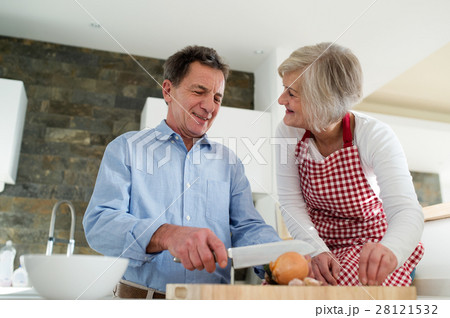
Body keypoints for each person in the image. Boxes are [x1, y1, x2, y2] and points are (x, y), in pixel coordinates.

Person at [83, 45, 281, 298]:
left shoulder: (229, 163)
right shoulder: (126, 149)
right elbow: (100, 225)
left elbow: (248, 228)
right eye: (199, 91)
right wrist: (165, 234)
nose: (209, 106)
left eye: (217, 98)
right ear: (168, 90)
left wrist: (278, 258)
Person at [275, 42, 424, 287]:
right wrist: (315, 250)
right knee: (282, 285)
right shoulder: (287, 132)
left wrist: (390, 251)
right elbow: (291, 204)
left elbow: (406, 210)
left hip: (369, 248)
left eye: (291, 93)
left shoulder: (374, 135)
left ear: (322, 101)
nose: (281, 100)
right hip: (319, 246)